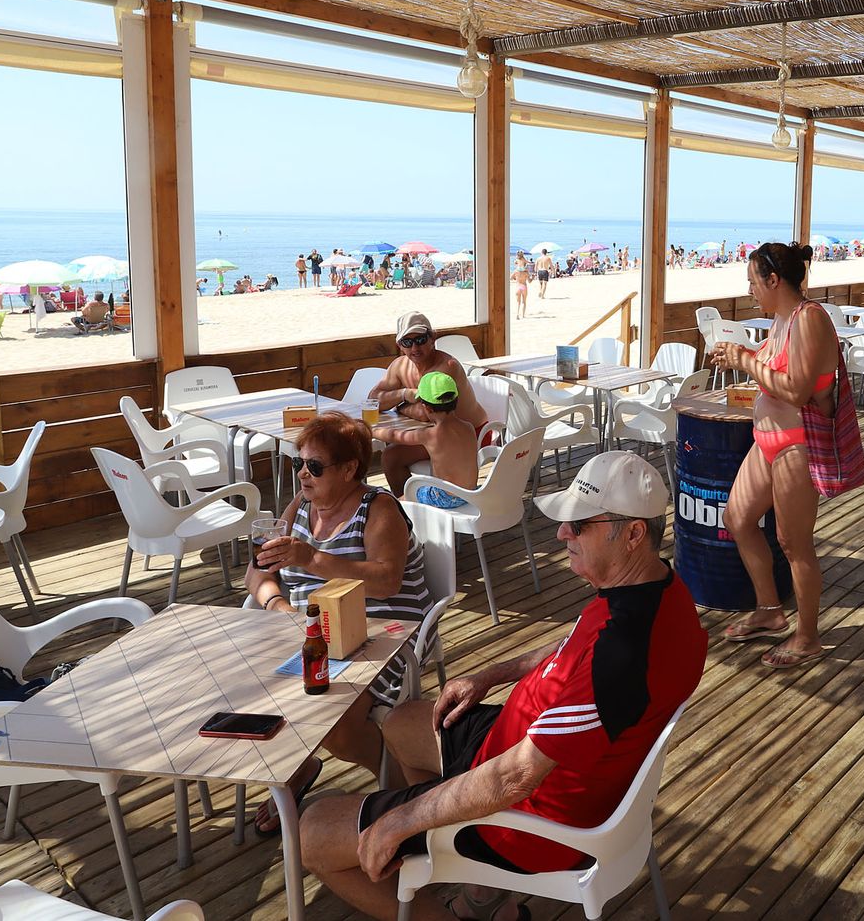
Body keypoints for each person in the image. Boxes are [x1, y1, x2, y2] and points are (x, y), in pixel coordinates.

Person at [300, 452, 707, 921]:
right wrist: (489, 676)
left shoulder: (622, 658)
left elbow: (514, 778)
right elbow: (570, 644)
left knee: (313, 831)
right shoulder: (659, 592)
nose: (562, 533)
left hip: (530, 823)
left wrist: (399, 821)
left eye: (579, 524)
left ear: (634, 534)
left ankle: (453, 903)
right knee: (401, 722)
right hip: (517, 751)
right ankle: (473, 885)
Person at [247, 412, 434, 835]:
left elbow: (386, 582)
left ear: (350, 469)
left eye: (314, 466)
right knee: (247, 689)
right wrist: (277, 606)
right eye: (299, 464)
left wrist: (310, 558)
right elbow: (256, 571)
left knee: (335, 722)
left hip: (380, 633)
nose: (302, 476)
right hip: (303, 629)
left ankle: (393, 781)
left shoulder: (379, 508)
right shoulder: (301, 507)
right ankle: (298, 766)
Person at [709, 241, 837, 669]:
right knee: (738, 518)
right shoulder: (782, 319)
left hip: (797, 446)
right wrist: (736, 356)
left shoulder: (810, 319)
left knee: (793, 542)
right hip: (768, 442)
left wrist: (745, 360)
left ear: (774, 280)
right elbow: (767, 370)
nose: (749, 290)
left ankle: (808, 637)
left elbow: (797, 390)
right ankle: (769, 610)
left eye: (752, 281)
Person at [373, 313, 490, 494]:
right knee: (391, 452)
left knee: (391, 457)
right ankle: (411, 511)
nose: (415, 347)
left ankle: (409, 511)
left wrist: (399, 405)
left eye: (420, 339)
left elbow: (425, 412)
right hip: (438, 431)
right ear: (399, 345)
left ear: (432, 337)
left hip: (473, 434)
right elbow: (373, 400)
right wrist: (404, 393)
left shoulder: (447, 366)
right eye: (407, 342)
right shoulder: (400, 366)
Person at [396, 372, 479, 510]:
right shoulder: (469, 427)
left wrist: (371, 429)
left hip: (444, 497)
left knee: (401, 500)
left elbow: (396, 436)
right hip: (471, 493)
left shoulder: (429, 434)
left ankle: (414, 528)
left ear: (427, 407)